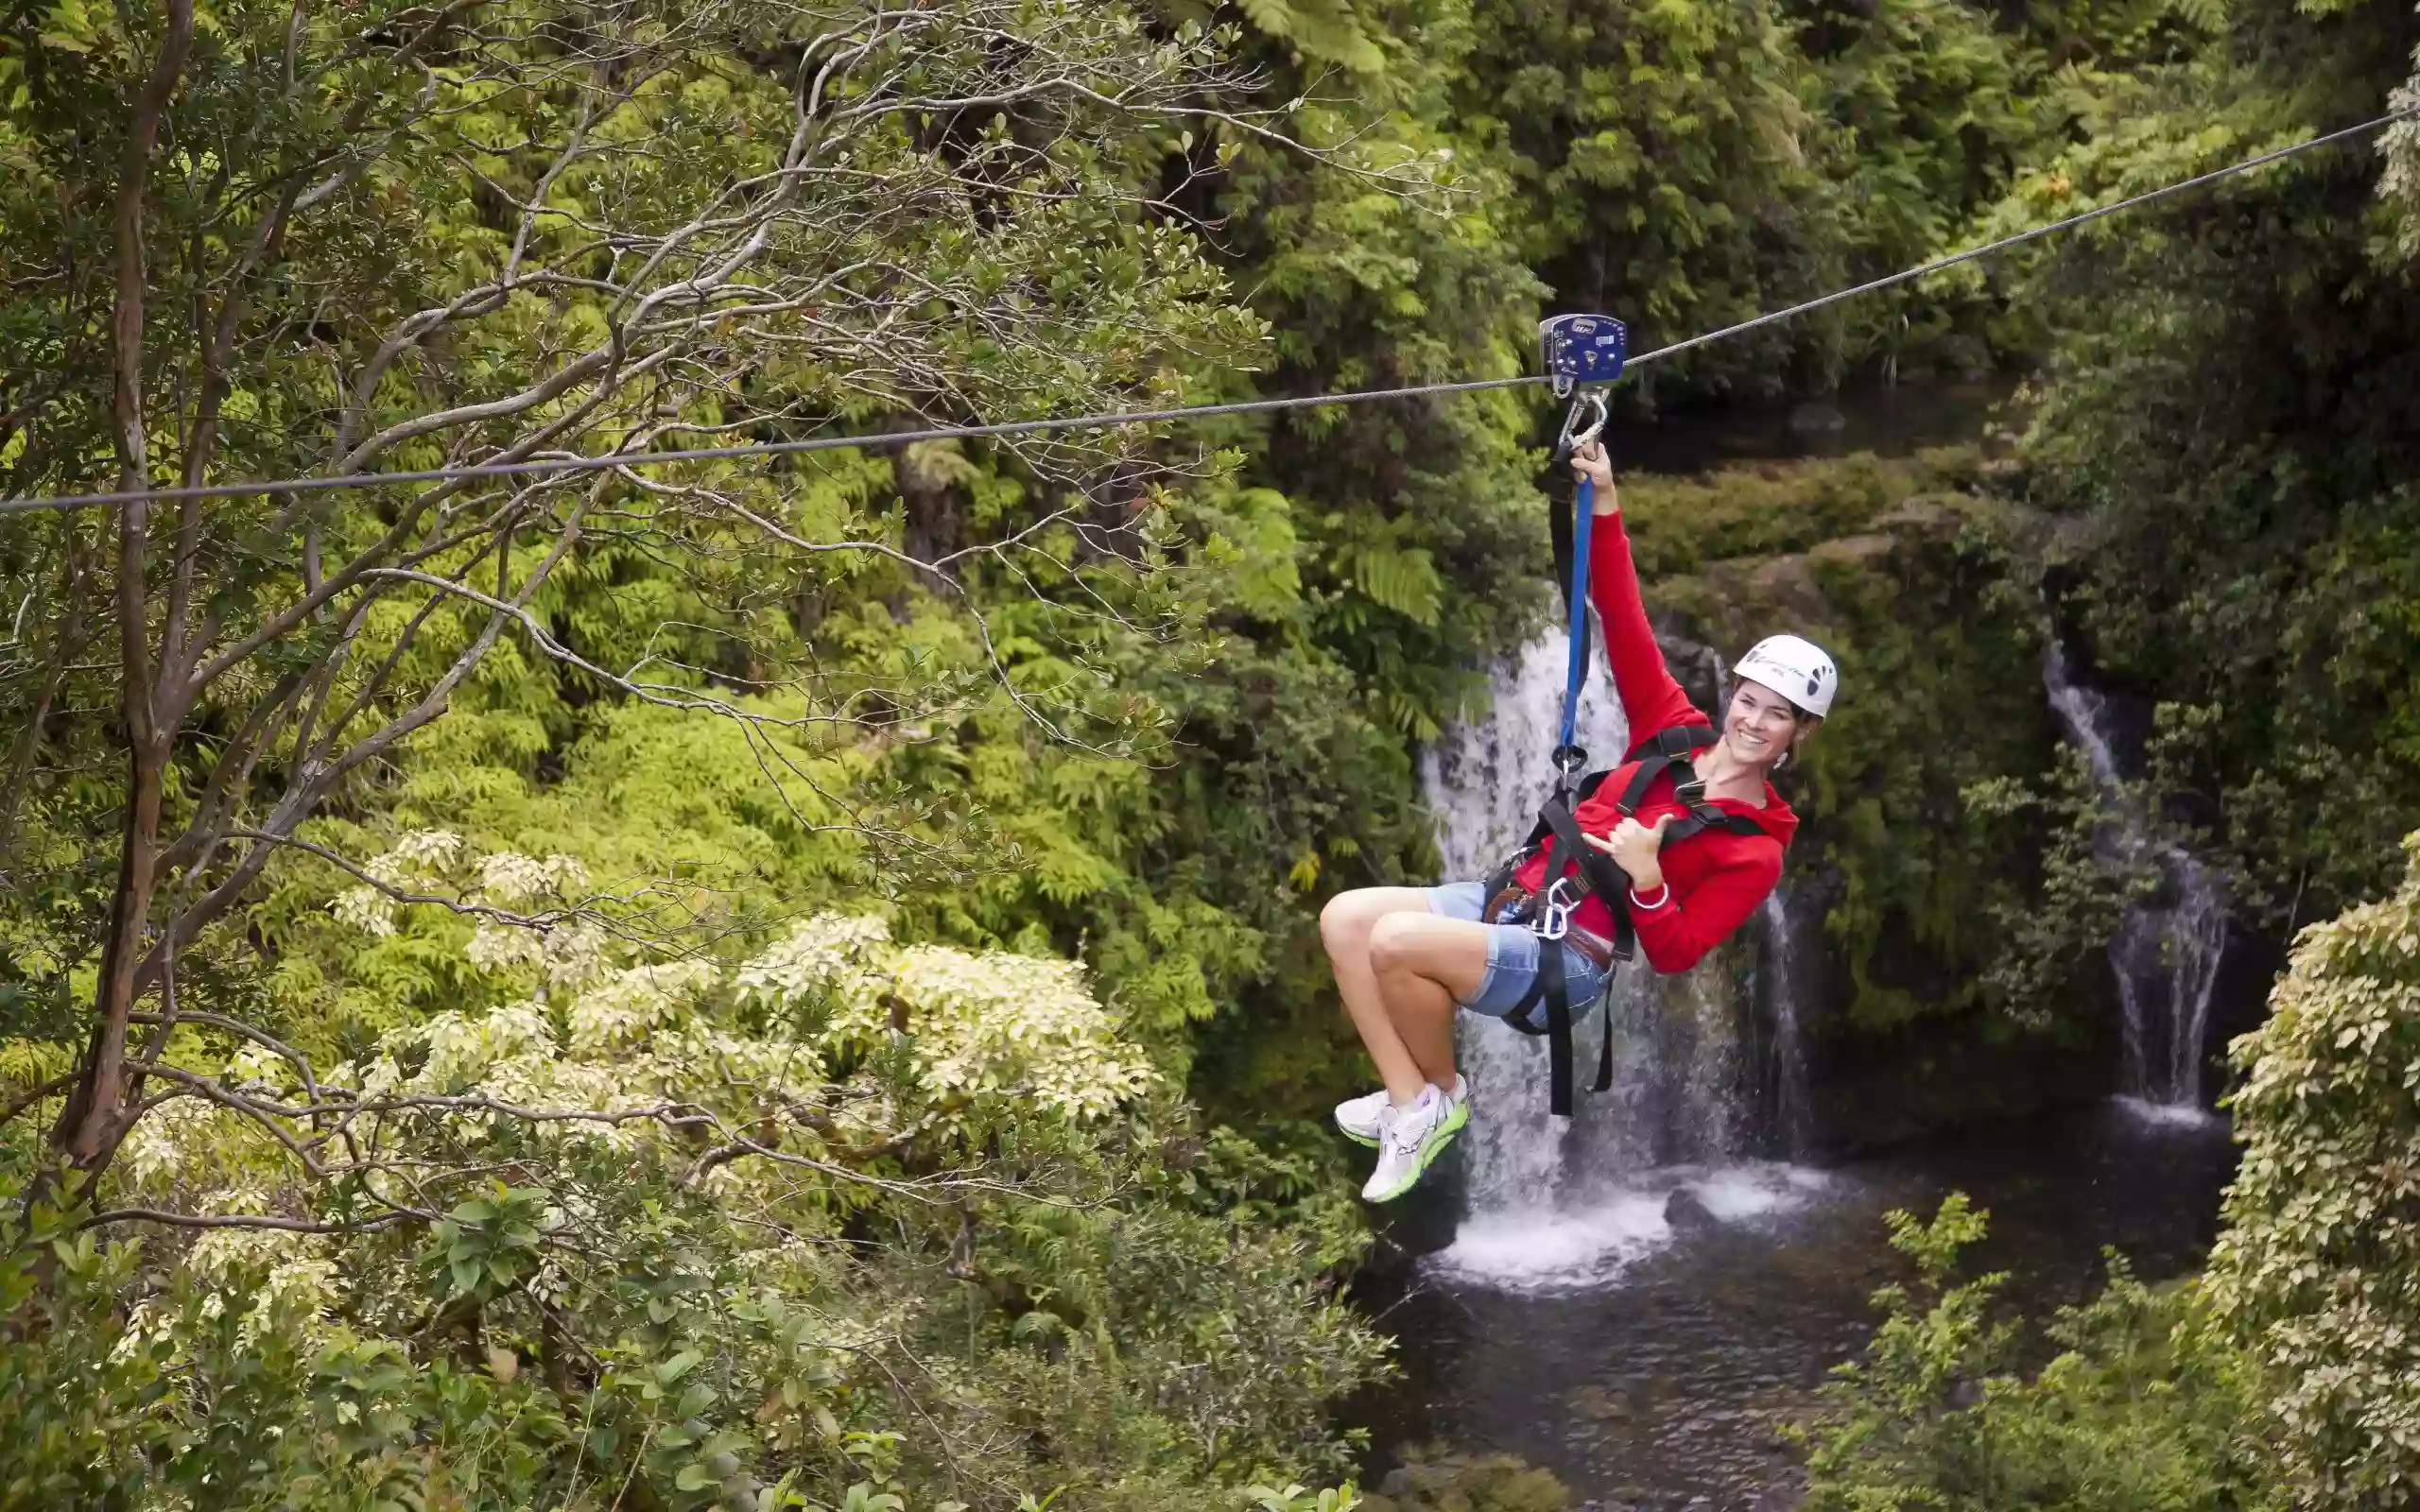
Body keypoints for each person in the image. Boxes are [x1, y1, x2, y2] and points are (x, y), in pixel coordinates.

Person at [1318, 438, 1838, 1202]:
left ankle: (1441, 1102)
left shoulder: (1753, 851)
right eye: (1749, 699)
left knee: (1395, 944)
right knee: (1344, 919)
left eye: (1777, 715)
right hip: (1518, 896)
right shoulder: (1672, 729)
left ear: (1800, 734)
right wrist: (1606, 500)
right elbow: (1622, 615)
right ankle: (1412, 1103)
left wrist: (1651, 879)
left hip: (1573, 956)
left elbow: (1676, 954)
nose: (1753, 720)